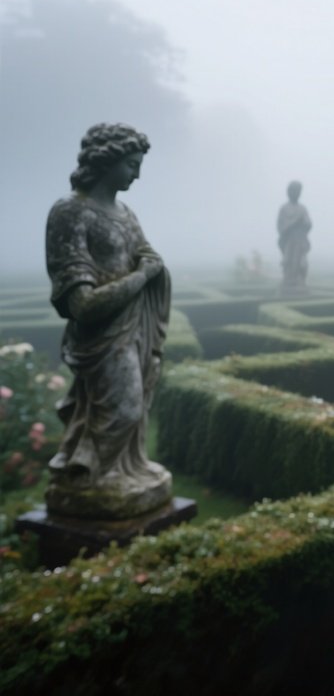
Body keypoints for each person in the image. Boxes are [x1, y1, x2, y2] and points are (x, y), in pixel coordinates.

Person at [45, 123, 172, 518]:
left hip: (134, 328)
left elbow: (152, 261)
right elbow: (81, 305)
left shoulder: (127, 214)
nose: (137, 174)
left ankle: (125, 468)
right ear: (108, 161)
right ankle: (91, 479)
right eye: (132, 165)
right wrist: (140, 277)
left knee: (135, 405)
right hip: (101, 336)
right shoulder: (70, 212)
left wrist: (149, 272)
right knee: (124, 408)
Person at [277, 180, 312, 292]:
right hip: (288, 242)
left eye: (298, 191)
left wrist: (305, 223)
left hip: (300, 241)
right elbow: (280, 227)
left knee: (302, 264)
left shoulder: (302, 208)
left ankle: (299, 281)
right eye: (294, 191)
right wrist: (294, 223)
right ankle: (288, 282)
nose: (297, 193)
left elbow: (308, 223)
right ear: (289, 192)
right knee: (288, 262)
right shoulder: (284, 208)